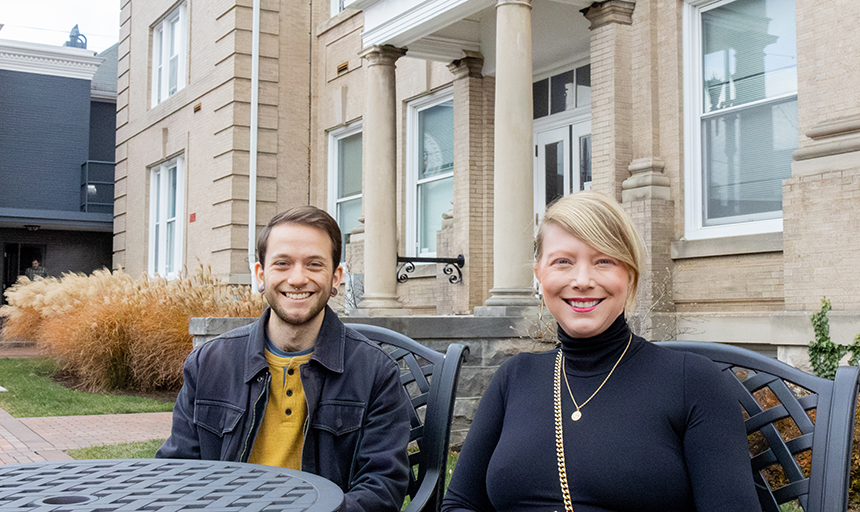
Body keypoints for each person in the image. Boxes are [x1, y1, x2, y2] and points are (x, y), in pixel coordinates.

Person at [442, 191, 760, 512]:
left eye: (604, 261)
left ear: (630, 274)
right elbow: (460, 503)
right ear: (539, 274)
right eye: (562, 262)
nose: (582, 280)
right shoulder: (514, 378)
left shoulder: (691, 382)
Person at [157, 205, 411, 512]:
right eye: (282, 263)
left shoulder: (374, 372)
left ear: (336, 278)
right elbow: (176, 472)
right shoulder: (209, 364)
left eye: (314, 264)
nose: (298, 278)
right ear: (260, 275)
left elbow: (382, 487)